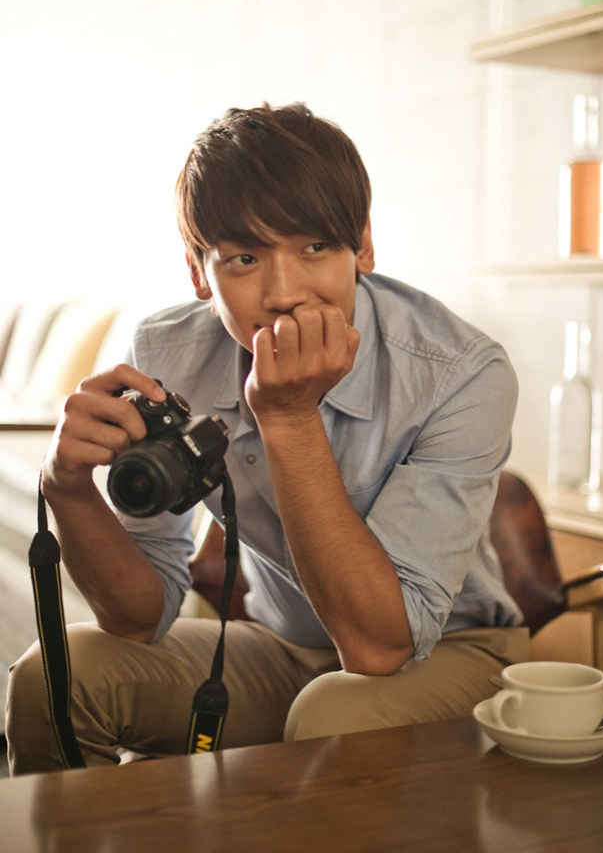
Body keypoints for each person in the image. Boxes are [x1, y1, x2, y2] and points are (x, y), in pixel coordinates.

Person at [6, 103, 527, 774]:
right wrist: (68, 489)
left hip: (453, 651)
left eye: (316, 248)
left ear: (363, 246)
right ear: (200, 273)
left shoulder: (461, 372)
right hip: (288, 650)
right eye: (246, 258)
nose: (285, 293)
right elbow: (138, 620)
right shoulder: (166, 352)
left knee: (336, 715)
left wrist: (289, 419)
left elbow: (378, 650)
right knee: (55, 675)